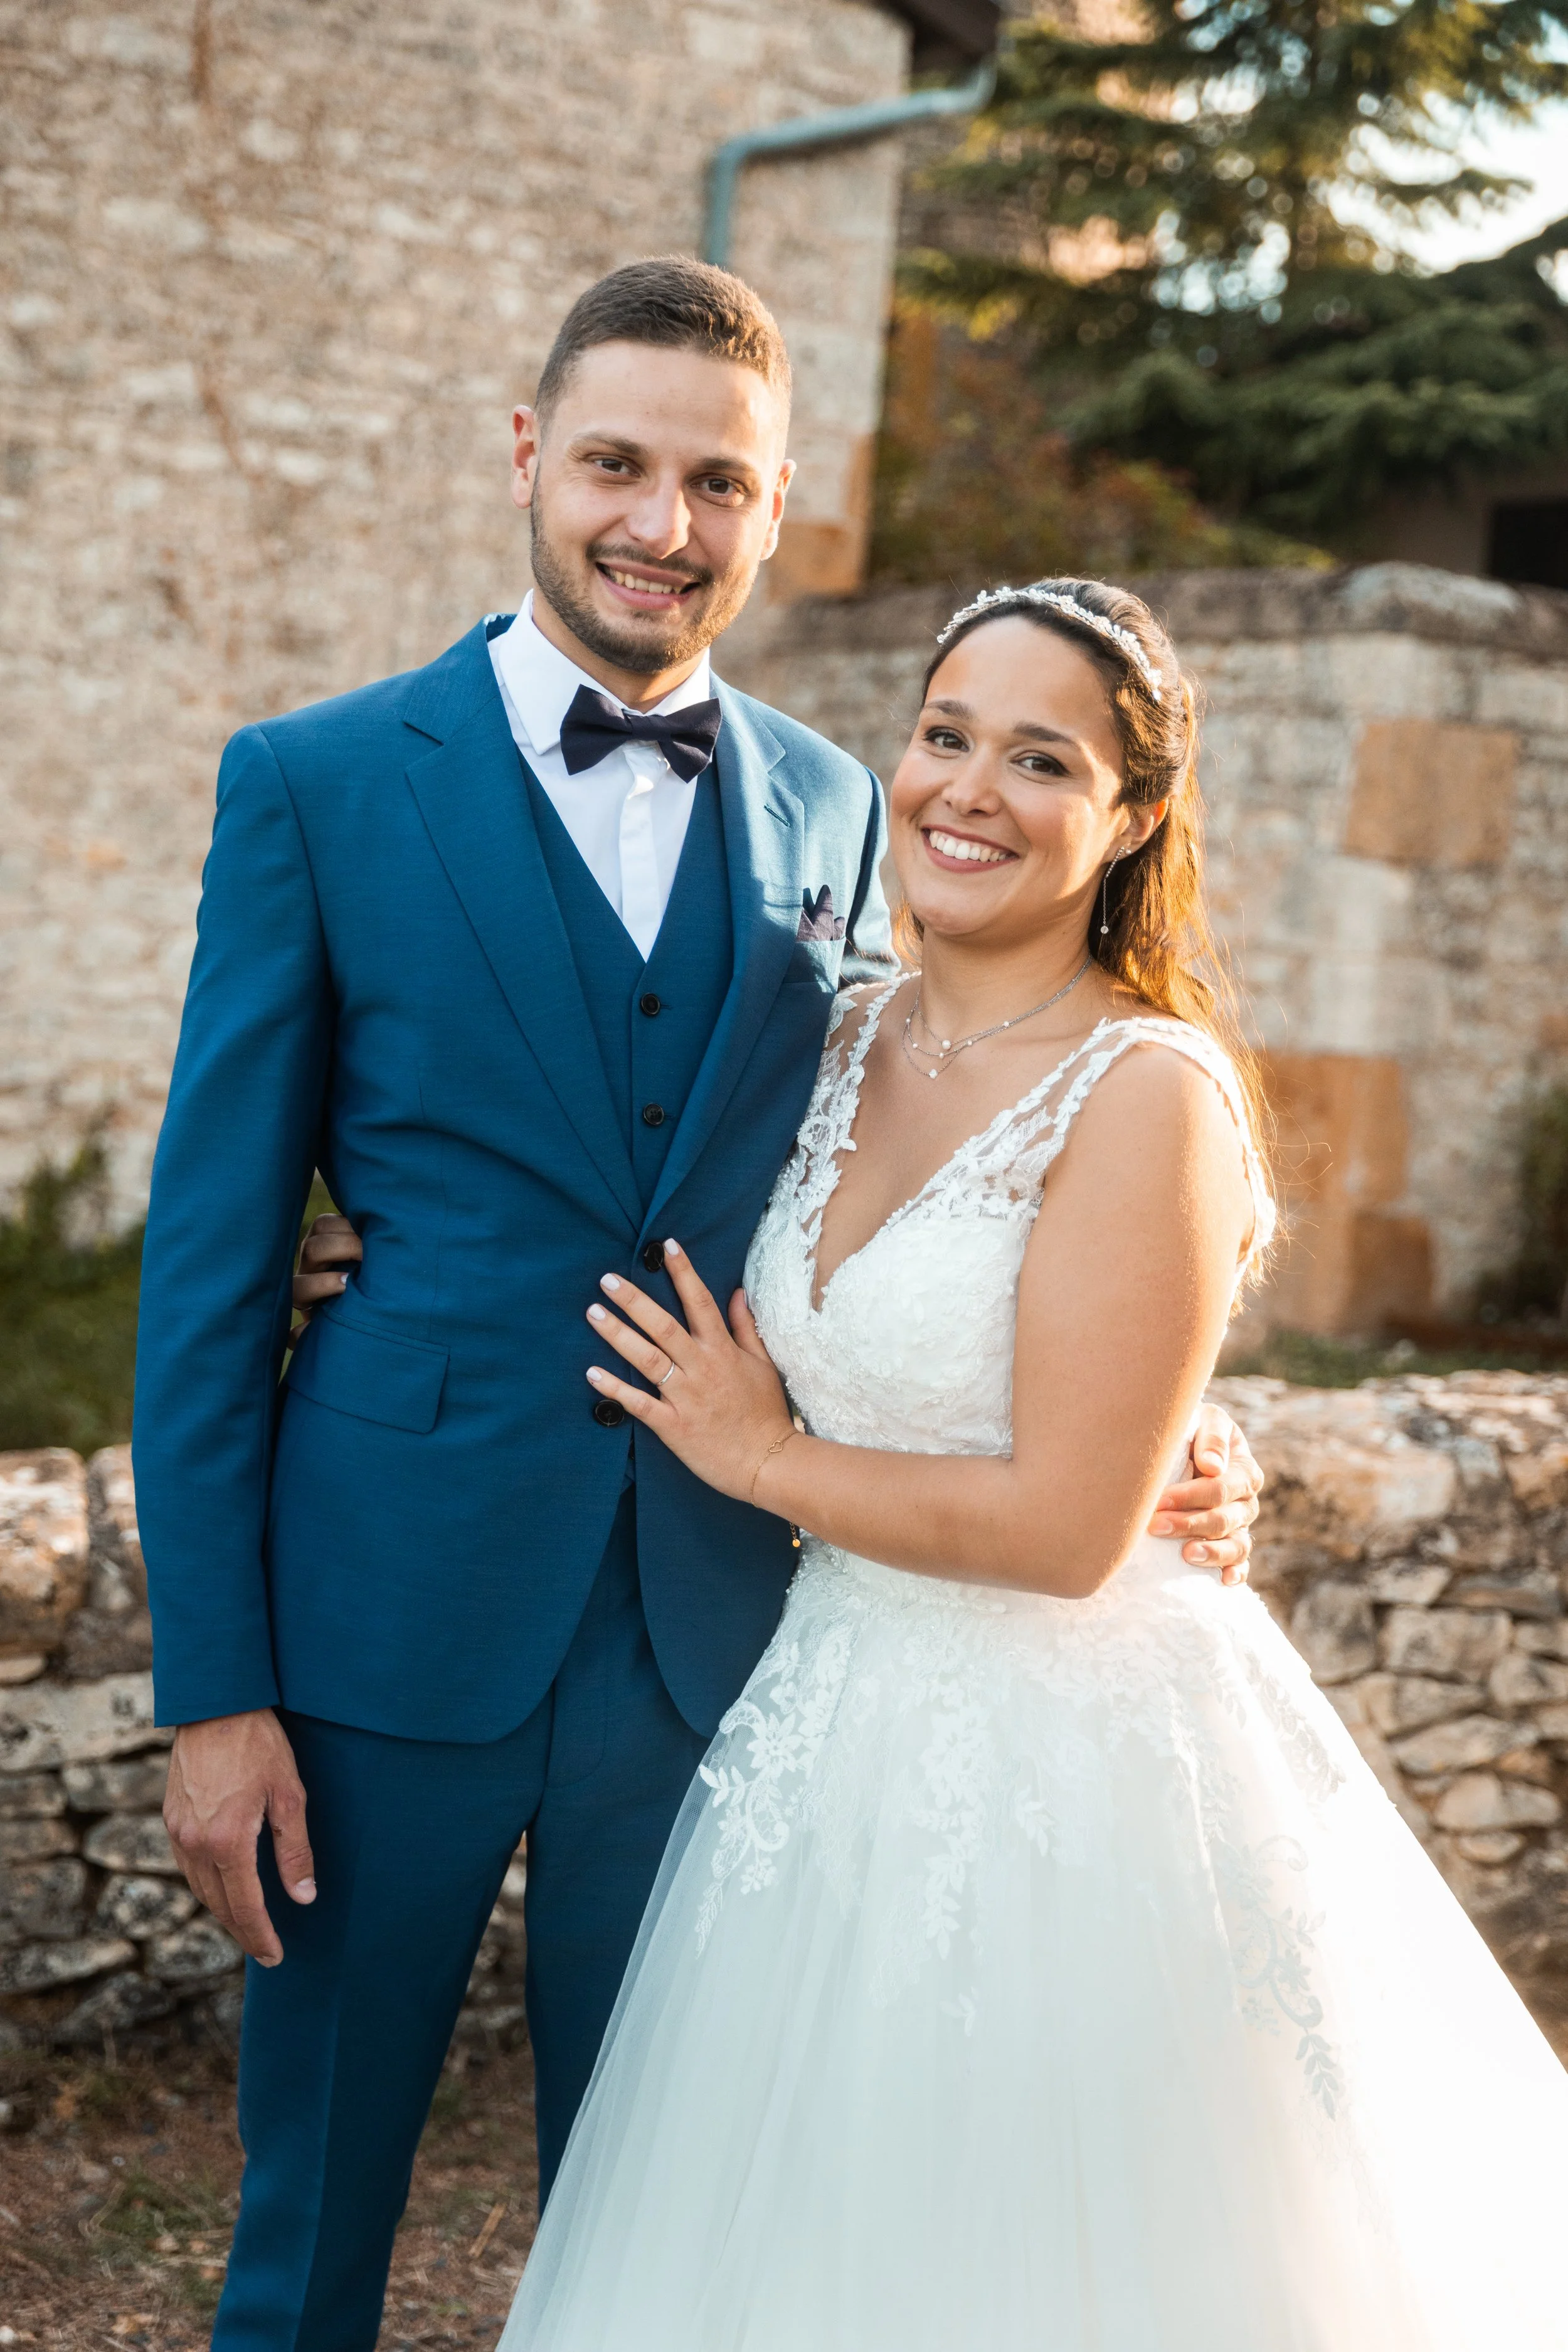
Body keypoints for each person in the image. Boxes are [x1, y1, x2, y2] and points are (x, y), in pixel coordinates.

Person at [131, 258, 1262, 2352]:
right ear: (528, 457)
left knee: (678, 2222)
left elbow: (981, 1134)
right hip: (383, 1610)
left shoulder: (859, 806)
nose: (663, 523)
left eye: (716, 482)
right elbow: (202, 1262)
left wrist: (1164, 1425)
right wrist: (216, 1688)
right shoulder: (313, 781)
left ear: (773, 503)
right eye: (619, 466)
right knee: (307, 2238)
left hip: (728, 1641)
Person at [493, 579, 1568, 2351]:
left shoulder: (1148, 1091)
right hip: (821, 1742)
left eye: (1039, 757)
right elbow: (578, 1180)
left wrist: (760, 1452)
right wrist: (346, 1242)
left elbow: (1072, 1528)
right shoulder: (826, 1035)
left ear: (1133, 816)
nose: (966, 788)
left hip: (1069, 1771)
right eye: (943, 735)